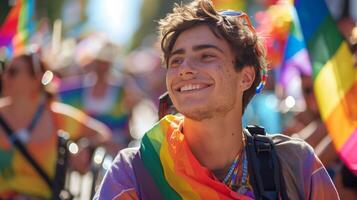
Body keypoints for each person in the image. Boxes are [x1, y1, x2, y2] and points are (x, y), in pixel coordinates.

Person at [94, 0, 339, 199]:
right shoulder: (135, 171)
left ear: (245, 77)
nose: (185, 69)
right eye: (176, 60)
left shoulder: (296, 164)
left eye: (206, 56)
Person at [0, 52, 111, 199]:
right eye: (4, 70)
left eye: (13, 72)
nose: (4, 76)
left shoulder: (56, 117)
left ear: (36, 79)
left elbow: (102, 133)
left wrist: (86, 147)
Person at [59, 42, 143, 156]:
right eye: (99, 62)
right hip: (84, 148)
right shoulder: (77, 88)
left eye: (105, 63)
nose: (101, 67)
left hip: (115, 149)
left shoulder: (122, 88)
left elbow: (135, 105)